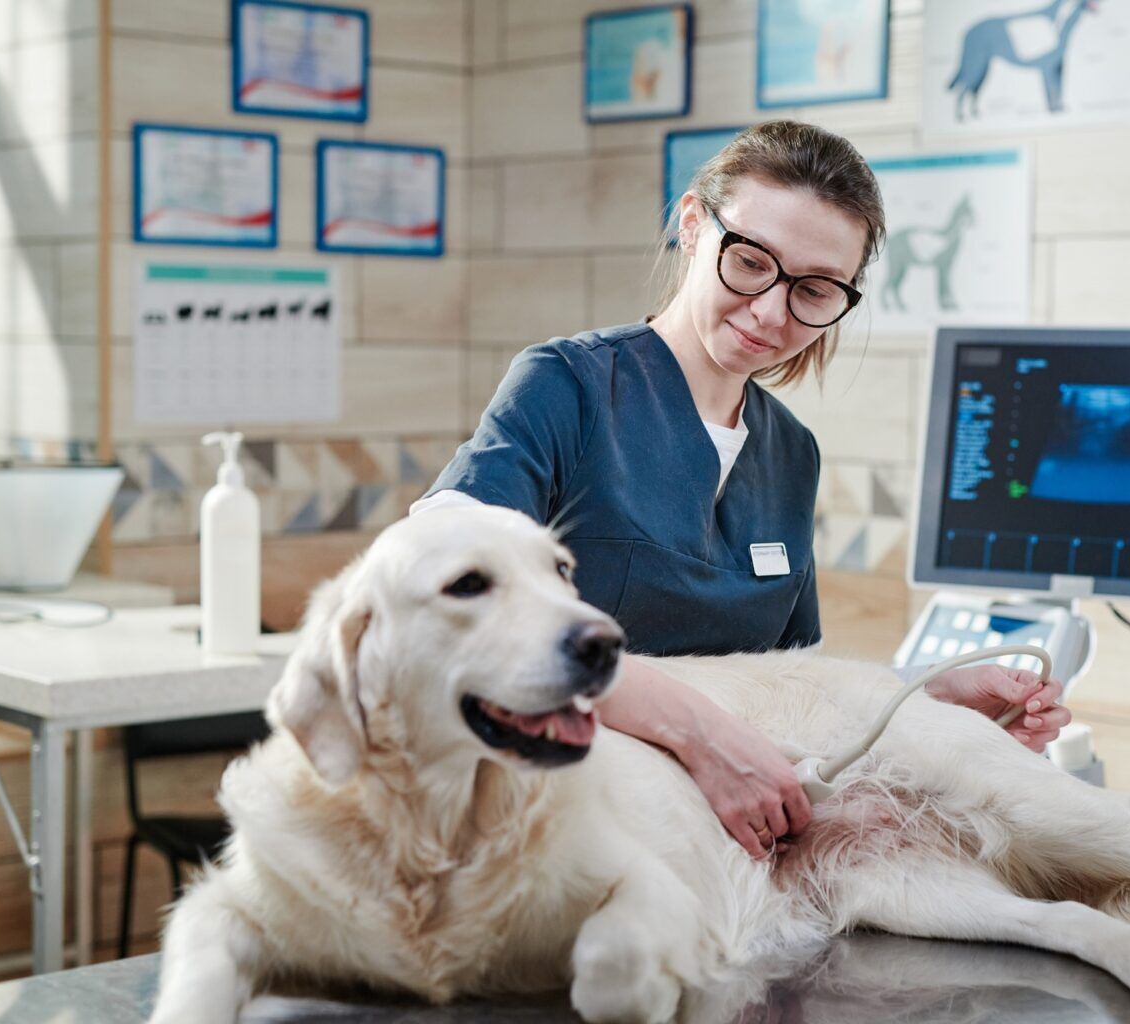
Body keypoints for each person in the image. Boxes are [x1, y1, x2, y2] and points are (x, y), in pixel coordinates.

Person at [414, 120, 1070, 859]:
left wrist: (924, 698)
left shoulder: (790, 453)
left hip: (717, 854)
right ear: (694, 226)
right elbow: (443, 592)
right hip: (543, 831)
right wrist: (700, 735)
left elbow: (795, 688)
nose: (771, 312)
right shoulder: (565, 387)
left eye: (814, 290)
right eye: (752, 262)